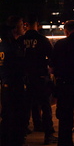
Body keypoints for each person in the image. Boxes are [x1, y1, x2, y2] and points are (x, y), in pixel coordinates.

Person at [18, 14, 57, 145]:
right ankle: (48, 134)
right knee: (46, 107)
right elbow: (52, 58)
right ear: (37, 25)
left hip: (25, 78)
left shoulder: (20, 40)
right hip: (40, 76)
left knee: (25, 107)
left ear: (25, 25)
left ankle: (22, 134)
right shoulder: (43, 39)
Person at [0, 15, 27, 146]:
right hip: (15, 86)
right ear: (15, 28)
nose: (24, 27)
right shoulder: (13, 47)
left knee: (7, 117)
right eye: (22, 25)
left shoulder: (3, 45)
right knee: (15, 118)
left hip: (7, 86)